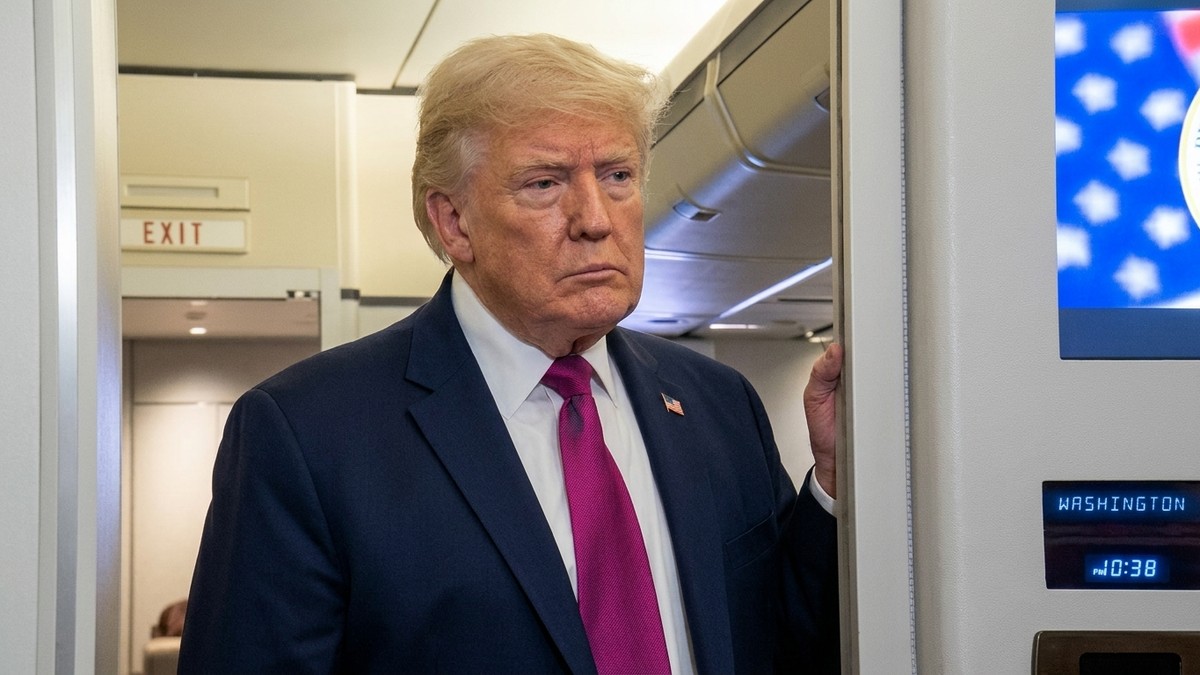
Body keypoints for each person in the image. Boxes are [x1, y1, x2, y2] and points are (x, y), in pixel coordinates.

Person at [178, 33, 843, 674]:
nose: (595, 219)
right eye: (544, 184)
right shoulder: (308, 434)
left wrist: (837, 481)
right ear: (454, 222)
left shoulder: (718, 403)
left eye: (617, 175)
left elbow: (784, 641)